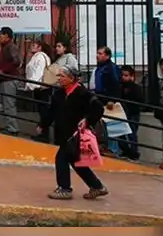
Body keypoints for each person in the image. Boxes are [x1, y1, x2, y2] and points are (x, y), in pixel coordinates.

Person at [47, 65, 110, 201]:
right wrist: (43, 124)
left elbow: (98, 108)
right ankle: (97, 187)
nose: (60, 79)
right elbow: (52, 111)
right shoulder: (59, 94)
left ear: (72, 78)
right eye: (59, 76)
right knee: (76, 161)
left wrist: (87, 120)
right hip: (64, 132)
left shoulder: (83, 93)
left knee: (62, 158)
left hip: (76, 134)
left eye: (62, 76)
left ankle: (64, 189)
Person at [91, 46, 122, 154]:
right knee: (102, 124)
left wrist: (112, 100)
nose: (97, 55)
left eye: (100, 53)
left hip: (108, 100)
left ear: (107, 56)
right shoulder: (100, 67)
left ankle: (114, 149)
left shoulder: (110, 68)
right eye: (97, 53)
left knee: (112, 124)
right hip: (100, 98)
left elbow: (115, 84)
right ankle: (104, 146)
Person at [24, 41, 53, 141]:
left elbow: (38, 73)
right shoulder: (36, 56)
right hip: (39, 87)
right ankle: (43, 133)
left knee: (43, 111)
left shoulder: (40, 57)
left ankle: (44, 135)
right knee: (42, 110)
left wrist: (31, 85)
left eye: (34, 45)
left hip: (41, 87)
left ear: (40, 47)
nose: (31, 47)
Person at [0, 27, 22, 135]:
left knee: (9, 104)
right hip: (6, 78)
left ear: (6, 36)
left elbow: (17, 61)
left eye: (1, 35)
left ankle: (12, 128)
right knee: (7, 104)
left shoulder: (11, 46)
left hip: (9, 79)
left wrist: (3, 70)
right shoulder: (6, 47)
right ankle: (9, 126)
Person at [117, 65, 143, 160]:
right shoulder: (120, 86)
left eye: (126, 75)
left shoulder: (136, 88)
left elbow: (140, 100)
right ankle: (126, 151)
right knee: (121, 133)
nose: (123, 77)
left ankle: (133, 153)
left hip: (133, 113)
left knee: (132, 134)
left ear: (132, 76)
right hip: (123, 112)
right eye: (122, 75)